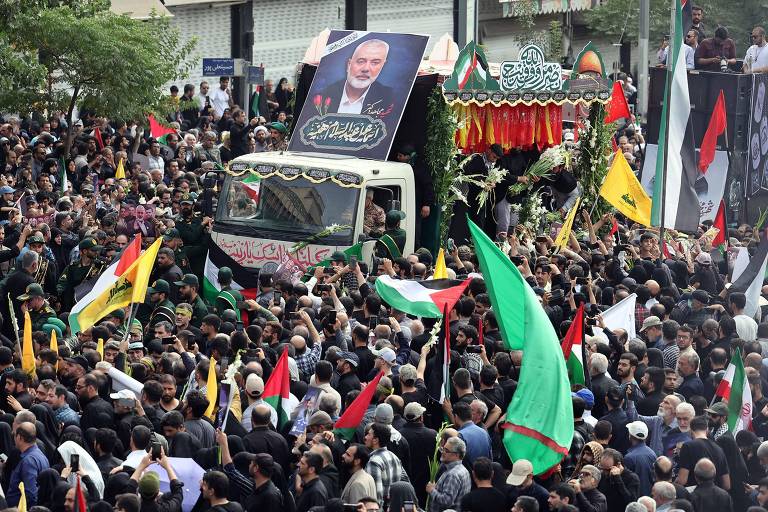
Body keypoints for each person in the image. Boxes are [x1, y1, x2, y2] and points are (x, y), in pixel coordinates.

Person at [320, 39, 395, 117]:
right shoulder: (322, 95)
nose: (366, 69)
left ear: (382, 66)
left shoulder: (390, 99)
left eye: (375, 63)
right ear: (349, 65)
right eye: (361, 61)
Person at [7, 422, 49, 507]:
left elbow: (30, 494)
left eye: (14, 435)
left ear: (19, 437)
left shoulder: (29, 461)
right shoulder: (39, 455)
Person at [426, 436, 470, 512]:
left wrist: (431, 490)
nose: (442, 452)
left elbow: (446, 501)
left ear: (456, 455)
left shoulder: (453, 475)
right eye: (443, 449)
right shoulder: (463, 470)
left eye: (446, 450)